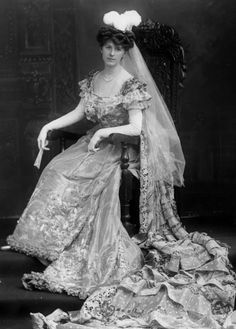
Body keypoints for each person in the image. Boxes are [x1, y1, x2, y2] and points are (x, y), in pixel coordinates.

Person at [8, 10, 236, 329]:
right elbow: (78, 113)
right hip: (92, 144)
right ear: (101, 48)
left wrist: (104, 132)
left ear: (125, 50)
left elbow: (136, 127)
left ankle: (77, 245)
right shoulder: (94, 79)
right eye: (107, 47)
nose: (112, 52)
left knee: (86, 181)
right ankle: (49, 240)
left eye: (117, 47)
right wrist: (47, 126)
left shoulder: (131, 85)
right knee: (57, 170)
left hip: (119, 148)